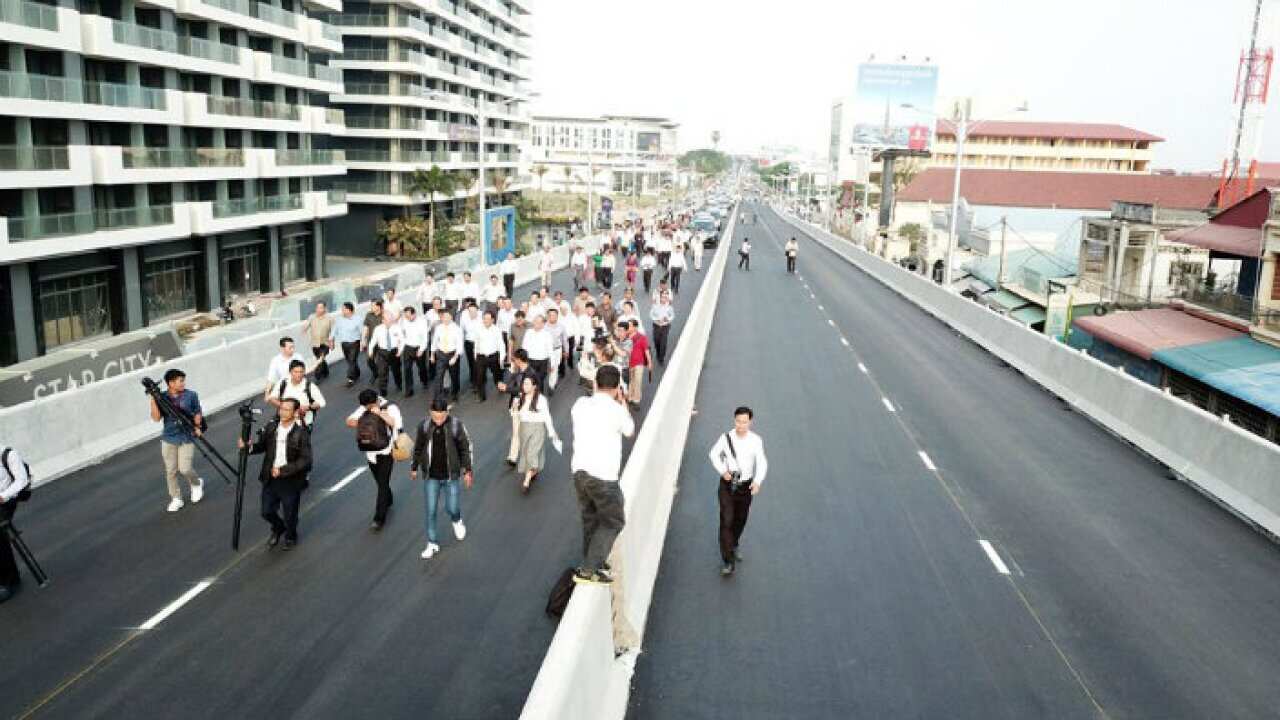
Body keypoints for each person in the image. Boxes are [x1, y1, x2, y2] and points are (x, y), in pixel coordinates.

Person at [569, 365, 634, 584]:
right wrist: (622, 402)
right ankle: (588, 569)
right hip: (603, 476)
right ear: (617, 388)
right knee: (614, 521)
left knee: (590, 519)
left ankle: (592, 561)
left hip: (580, 472)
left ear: (596, 383)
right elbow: (629, 430)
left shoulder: (580, 405)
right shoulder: (617, 411)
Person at [239, 398, 312, 550]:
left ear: (295, 412)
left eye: (287, 409)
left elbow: (306, 460)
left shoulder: (301, 433)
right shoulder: (272, 427)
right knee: (266, 511)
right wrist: (249, 447)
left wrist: (284, 470)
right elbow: (262, 446)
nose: (282, 412)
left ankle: (291, 536)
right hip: (270, 477)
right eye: (281, 408)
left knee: (290, 514)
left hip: (290, 480)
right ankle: (278, 528)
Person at [410, 397, 474, 560]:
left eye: (442, 416)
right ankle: (432, 543)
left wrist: (467, 471)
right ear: (430, 413)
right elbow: (418, 447)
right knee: (430, 511)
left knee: (451, 507)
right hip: (431, 477)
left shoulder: (455, 425)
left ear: (447, 412)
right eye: (435, 416)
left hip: (451, 475)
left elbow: (465, 449)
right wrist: (414, 467)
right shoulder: (424, 426)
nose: (438, 420)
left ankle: (457, 519)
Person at [708, 406, 768, 576]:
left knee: (740, 519)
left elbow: (762, 462)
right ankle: (728, 561)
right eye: (738, 421)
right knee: (726, 521)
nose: (741, 425)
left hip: (745, 487)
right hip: (727, 486)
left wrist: (757, 481)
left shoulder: (756, 440)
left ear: (750, 422)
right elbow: (713, 454)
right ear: (734, 421)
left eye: (744, 422)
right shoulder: (726, 438)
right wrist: (723, 471)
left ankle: (734, 543)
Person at [346, 389, 404, 532]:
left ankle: (379, 518)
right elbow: (349, 421)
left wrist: (380, 415)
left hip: (387, 451)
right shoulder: (364, 407)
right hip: (370, 452)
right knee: (380, 481)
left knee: (382, 484)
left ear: (376, 400)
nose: (368, 408)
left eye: (370, 406)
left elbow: (396, 424)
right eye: (366, 407)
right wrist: (363, 420)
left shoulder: (390, 407)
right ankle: (388, 498)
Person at [149, 368, 205, 513]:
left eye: (183, 380)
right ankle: (176, 498)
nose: (183, 383)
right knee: (171, 471)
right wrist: (153, 400)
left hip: (186, 436)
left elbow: (197, 411)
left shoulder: (191, 395)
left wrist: (197, 425)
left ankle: (196, 484)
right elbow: (156, 418)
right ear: (170, 383)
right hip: (169, 438)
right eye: (180, 381)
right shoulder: (161, 398)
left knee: (185, 468)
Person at [513, 375, 562, 493]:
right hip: (524, 428)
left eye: (528, 384)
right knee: (525, 453)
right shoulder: (520, 398)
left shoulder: (541, 399)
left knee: (532, 453)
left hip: (538, 429)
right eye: (524, 383)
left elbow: (547, 417)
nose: (525, 386)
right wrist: (515, 407)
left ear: (534, 386)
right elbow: (516, 415)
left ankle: (526, 481)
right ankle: (532, 471)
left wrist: (552, 432)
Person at [0, 445, 31, 602]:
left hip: (6, 500)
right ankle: (10, 577)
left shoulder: (8, 454)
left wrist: (3, 497)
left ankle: (7, 582)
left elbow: (22, 480)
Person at [499, 349, 536, 466]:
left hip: (526, 407)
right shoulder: (518, 371)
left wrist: (507, 388)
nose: (512, 361)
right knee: (516, 432)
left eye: (514, 359)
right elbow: (509, 382)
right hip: (516, 405)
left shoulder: (531, 374)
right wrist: (510, 373)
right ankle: (513, 457)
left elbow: (524, 389)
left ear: (519, 360)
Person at [267, 359, 327, 430]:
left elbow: (322, 402)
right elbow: (272, 398)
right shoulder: (283, 383)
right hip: (284, 422)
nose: (299, 374)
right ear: (290, 372)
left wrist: (308, 407)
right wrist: (287, 408)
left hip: (303, 424)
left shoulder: (310, 386)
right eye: (296, 372)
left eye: (301, 372)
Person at [368, 311, 405, 397]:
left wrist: (400, 351)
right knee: (382, 372)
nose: (390, 321)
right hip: (382, 352)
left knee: (396, 371)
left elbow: (402, 340)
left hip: (394, 352)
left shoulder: (397, 328)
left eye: (391, 319)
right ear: (383, 320)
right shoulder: (378, 329)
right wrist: (370, 351)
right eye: (388, 320)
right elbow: (373, 341)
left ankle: (398, 384)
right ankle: (383, 391)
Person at [430, 307, 464, 402]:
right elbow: (435, 341)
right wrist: (432, 354)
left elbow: (459, 345)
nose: (445, 319)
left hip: (452, 354)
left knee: (454, 376)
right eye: (443, 317)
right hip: (441, 354)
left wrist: (455, 357)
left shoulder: (457, 329)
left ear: (451, 317)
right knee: (439, 376)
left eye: (447, 317)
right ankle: (438, 396)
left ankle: (455, 393)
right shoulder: (439, 328)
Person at [472, 310, 506, 402]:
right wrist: (475, 354)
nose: (486, 321)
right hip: (481, 356)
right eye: (484, 318)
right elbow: (476, 342)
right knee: (480, 377)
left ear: (493, 320)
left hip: (493, 356)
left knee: (497, 375)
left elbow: (501, 344)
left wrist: (501, 358)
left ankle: (500, 386)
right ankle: (481, 396)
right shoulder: (478, 329)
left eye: (488, 319)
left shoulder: (497, 330)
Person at [330, 302, 364, 388]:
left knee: (352, 360)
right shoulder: (339, 320)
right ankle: (357, 372)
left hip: (354, 343)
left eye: (343, 309)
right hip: (344, 344)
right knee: (350, 361)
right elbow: (334, 330)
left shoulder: (358, 319)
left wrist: (363, 342)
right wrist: (331, 340)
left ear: (349, 310)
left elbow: (362, 332)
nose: (342, 311)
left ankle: (350, 379)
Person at [400, 305, 430, 399]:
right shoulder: (404, 321)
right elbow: (402, 334)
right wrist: (401, 348)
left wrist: (421, 349)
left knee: (422, 368)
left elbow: (425, 337)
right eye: (406, 316)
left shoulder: (422, 321)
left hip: (419, 347)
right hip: (408, 347)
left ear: (414, 314)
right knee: (407, 369)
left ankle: (424, 381)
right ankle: (409, 389)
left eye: (409, 316)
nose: (407, 318)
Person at [303, 302, 335, 382]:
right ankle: (326, 371)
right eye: (317, 307)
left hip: (325, 343)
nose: (318, 309)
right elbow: (307, 325)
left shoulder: (330, 318)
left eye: (321, 308)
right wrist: (304, 329)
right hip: (315, 344)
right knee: (319, 359)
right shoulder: (311, 317)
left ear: (324, 309)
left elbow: (333, 331)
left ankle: (317, 376)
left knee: (320, 359)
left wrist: (332, 343)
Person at [625, 319, 652, 410]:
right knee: (631, 381)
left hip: (639, 363)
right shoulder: (626, 337)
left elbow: (646, 350)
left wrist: (649, 362)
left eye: (630, 326)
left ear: (635, 327)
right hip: (629, 362)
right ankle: (630, 397)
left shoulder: (642, 337)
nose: (628, 327)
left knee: (637, 381)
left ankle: (636, 400)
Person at [521, 313, 553, 387]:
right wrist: (523, 361)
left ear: (543, 324)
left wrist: (552, 364)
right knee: (530, 380)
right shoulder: (528, 332)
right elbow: (524, 346)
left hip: (543, 362)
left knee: (540, 380)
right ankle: (532, 395)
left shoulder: (547, 334)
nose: (536, 324)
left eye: (539, 322)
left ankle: (538, 396)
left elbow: (550, 350)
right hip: (530, 361)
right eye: (535, 321)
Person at [460, 302, 484, 396]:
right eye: (470, 311)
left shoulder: (482, 316)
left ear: (477, 311)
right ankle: (473, 379)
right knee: (471, 363)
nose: (472, 313)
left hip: (479, 343)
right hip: (468, 343)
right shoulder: (464, 317)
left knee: (478, 363)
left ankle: (477, 383)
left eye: (474, 311)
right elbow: (461, 331)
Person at [361, 300, 384, 382]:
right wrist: (363, 340)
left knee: (380, 362)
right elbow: (365, 328)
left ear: (378, 306)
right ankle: (375, 373)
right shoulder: (369, 315)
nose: (371, 307)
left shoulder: (384, 315)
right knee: (369, 360)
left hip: (382, 342)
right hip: (371, 342)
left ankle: (382, 378)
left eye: (373, 306)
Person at [650, 290, 675, 366]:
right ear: (660, 298)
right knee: (656, 340)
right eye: (662, 297)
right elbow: (651, 314)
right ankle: (658, 353)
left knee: (663, 342)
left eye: (665, 297)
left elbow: (672, 316)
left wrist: (668, 319)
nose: (664, 299)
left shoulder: (669, 307)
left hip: (665, 326)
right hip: (656, 325)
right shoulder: (655, 306)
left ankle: (661, 358)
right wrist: (656, 320)